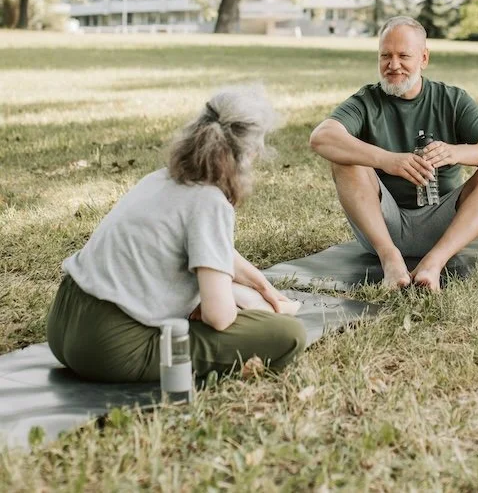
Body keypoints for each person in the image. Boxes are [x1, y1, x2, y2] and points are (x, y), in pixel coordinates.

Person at [47, 86, 306, 383]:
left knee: (238, 296)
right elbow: (218, 317)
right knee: (289, 335)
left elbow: (213, 249)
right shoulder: (209, 201)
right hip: (109, 348)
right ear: (248, 152)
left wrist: (261, 286)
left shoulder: (160, 179)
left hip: (62, 324)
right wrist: (254, 308)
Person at [310, 16, 478, 292]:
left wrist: (455, 152)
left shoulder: (451, 99)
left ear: (424, 58)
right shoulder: (366, 101)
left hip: (443, 224)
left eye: (403, 56)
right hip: (382, 227)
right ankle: (391, 261)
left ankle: (434, 263)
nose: (393, 65)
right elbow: (321, 137)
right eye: (385, 56)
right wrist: (388, 160)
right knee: (346, 159)